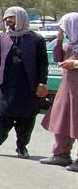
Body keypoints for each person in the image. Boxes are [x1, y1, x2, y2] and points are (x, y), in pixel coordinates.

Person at [0, 7, 48, 158]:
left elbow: (42, 63)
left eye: (11, 17)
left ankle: (22, 147)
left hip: (28, 87)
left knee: (26, 118)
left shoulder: (36, 39)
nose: (8, 20)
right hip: (6, 86)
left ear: (21, 18)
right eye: (6, 18)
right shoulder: (3, 38)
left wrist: (42, 83)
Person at [39, 12, 78, 170]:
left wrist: (75, 63)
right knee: (62, 121)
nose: (63, 31)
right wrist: (59, 40)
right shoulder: (70, 45)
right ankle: (61, 154)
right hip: (67, 89)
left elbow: (71, 62)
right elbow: (57, 58)